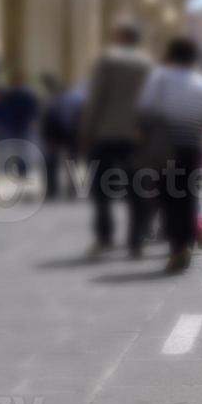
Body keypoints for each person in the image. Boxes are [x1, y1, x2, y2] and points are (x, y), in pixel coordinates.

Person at [136, 38, 202, 274]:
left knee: (168, 200)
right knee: (188, 198)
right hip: (192, 148)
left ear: (170, 55)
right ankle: (185, 246)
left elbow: (144, 113)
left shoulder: (159, 78)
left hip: (164, 149)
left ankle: (177, 249)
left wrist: (141, 146)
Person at [79, 22, 154, 257]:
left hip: (106, 133)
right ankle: (136, 240)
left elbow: (96, 97)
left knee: (101, 189)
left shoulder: (108, 59)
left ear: (120, 37)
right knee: (138, 188)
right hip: (137, 135)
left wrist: (87, 131)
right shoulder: (147, 64)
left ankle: (105, 237)